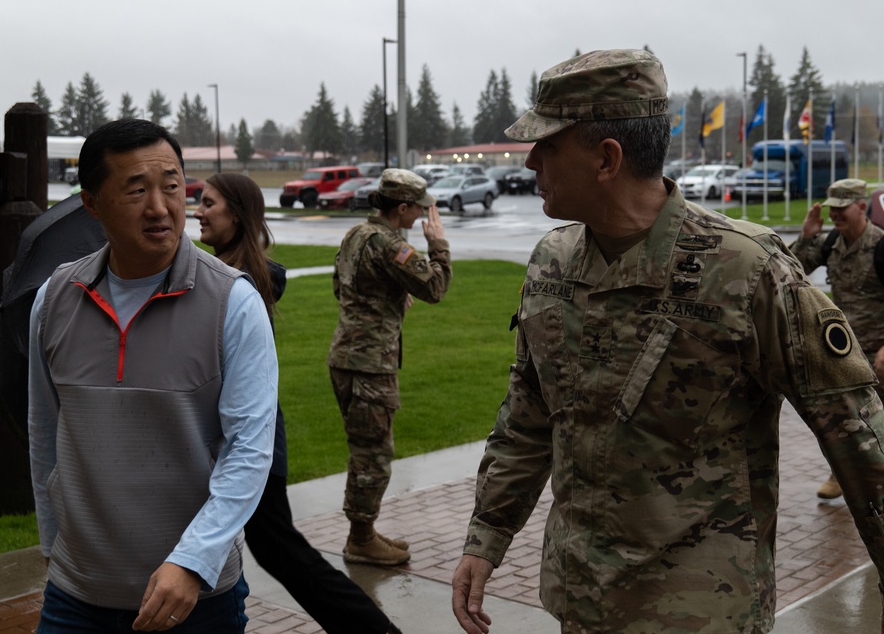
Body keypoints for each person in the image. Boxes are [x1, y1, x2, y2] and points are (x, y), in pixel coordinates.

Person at [450, 49, 884, 634]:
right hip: (581, 598)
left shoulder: (746, 271)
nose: (530, 162)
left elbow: (860, 440)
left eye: (547, 145)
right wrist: (487, 536)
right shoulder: (553, 263)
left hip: (701, 612)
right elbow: (529, 414)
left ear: (607, 158)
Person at [28, 119, 277, 633]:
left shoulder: (233, 301)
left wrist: (193, 560)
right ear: (92, 203)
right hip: (77, 596)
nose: (161, 207)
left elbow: (249, 449)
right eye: (136, 190)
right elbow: (45, 432)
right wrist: (53, 544)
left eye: (172, 186)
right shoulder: (54, 301)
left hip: (195, 599)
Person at [194, 173, 403, 634]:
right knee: (269, 550)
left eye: (208, 203)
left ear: (237, 213)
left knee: (281, 551)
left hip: (250, 438)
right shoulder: (226, 275)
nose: (198, 211)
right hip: (239, 436)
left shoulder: (235, 286)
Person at [328, 168, 452, 566]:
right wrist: (439, 247)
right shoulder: (389, 244)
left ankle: (363, 531)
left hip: (346, 358)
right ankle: (360, 539)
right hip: (370, 366)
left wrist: (390, 296)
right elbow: (434, 288)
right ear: (402, 208)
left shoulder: (357, 235)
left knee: (365, 450)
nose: (422, 217)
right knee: (373, 456)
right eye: (419, 210)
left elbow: (341, 286)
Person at [789, 178, 884, 499]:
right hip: (846, 350)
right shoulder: (831, 243)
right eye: (832, 209)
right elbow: (790, 272)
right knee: (847, 416)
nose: (835, 215)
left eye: (842, 209)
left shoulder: (881, 246)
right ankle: (840, 475)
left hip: (881, 351)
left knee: (880, 418)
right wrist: (806, 237)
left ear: (861, 206)